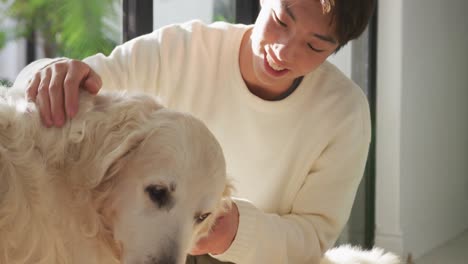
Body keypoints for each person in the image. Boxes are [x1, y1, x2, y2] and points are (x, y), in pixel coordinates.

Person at [15, 0, 376, 263]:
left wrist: (237, 234)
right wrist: (50, 73)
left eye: (314, 45)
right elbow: (80, 87)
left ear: (335, 49)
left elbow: (314, 237)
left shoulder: (345, 114)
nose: (284, 51)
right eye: (281, 20)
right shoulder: (181, 48)